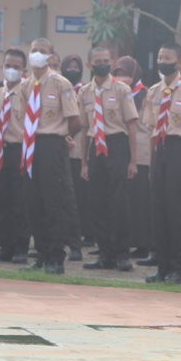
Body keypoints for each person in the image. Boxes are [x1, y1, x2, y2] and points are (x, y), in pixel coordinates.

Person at [18, 38, 82, 275]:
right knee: (33, 201)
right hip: (30, 145)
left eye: (42, 51)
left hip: (52, 144)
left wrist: (65, 136)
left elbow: (75, 119)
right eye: (33, 50)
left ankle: (56, 257)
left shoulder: (60, 83)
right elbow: (23, 118)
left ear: (51, 57)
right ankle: (41, 255)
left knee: (54, 202)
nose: (37, 54)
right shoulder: (25, 86)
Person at [144, 43, 181, 284]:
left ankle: (176, 267)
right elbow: (151, 128)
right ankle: (161, 265)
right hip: (160, 149)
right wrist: (151, 162)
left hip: (180, 149)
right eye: (160, 57)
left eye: (167, 58)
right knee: (158, 209)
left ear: (179, 63)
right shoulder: (153, 91)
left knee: (176, 210)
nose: (162, 61)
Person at [77, 46, 139, 273]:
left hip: (117, 144)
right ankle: (105, 254)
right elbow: (84, 130)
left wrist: (133, 160)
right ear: (89, 65)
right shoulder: (84, 92)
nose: (102, 64)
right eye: (97, 61)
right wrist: (84, 162)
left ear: (112, 63)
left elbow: (131, 126)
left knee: (119, 202)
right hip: (96, 147)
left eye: (105, 60)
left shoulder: (122, 89)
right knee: (97, 202)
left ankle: (122, 254)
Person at [113, 57, 152, 263]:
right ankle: (123, 242)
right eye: (118, 74)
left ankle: (142, 243)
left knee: (140, 201)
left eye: (126, 74)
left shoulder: (145, 94)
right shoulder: (116, 93)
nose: (122, 78)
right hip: (121, 150)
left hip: (142, 152)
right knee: (123, 200)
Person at [0, 49, 29, 264]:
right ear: (2, 67)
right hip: (0, 151)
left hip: (20, 151)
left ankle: (20, 247)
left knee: (19, 200)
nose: (11, 70)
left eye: (16, 67)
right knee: (1, 200)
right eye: (8, 66)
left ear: (24, 70)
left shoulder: (28, 95)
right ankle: (5, 245)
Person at [60, 53, 90, 260]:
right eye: (69, 66)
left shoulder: (84, 91)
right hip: (59, 149)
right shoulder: (58, 89)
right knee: (60, 197)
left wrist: (70, 135)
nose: (73, 70)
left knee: (77, 197)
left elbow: (84, 122)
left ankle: (77, 240)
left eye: (76, 66)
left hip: (79, 151)